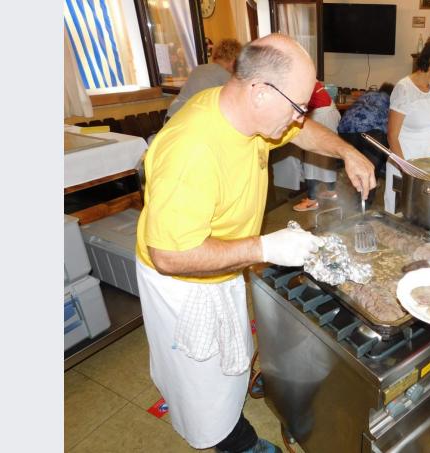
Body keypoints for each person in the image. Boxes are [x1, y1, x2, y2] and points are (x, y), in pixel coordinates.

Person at [135, 33, 375, 453]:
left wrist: (347, 153)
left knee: (233, 356)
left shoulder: (247, 112)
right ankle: (235, 442)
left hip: (223, 260)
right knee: (201, 383)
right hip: (185, 280)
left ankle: (234, 400)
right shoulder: (191, 150)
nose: (300, 117)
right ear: (261, 91)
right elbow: (170, 255)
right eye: (297, 105)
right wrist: (264, 248)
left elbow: (301, 134)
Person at [384, 37, 430, 214]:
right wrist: (405, 169)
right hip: (405, 161)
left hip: (428, 163)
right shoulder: (404, 88)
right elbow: (392, 136)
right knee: (400, 215)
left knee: (424, 214)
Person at [337, 82, 394, 208]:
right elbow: (390, 130)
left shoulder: (368, 94)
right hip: (370, 133)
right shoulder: (391, 101)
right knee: (370, 169)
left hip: (344, 131)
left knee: (358, 164)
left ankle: (354, 198)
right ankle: (363, 207)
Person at [292, 81, 341, 211]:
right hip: (327, 111)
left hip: (321, 115)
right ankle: (330, 191)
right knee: (327, 157)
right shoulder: (301, 73)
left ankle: (312, 200)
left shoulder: (293, 76)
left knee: (311, 160)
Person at [165, 38, 242, 120]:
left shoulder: (198, 69)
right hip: (188, 121)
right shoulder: (226, 77)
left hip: (172, 116)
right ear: (234, 61)